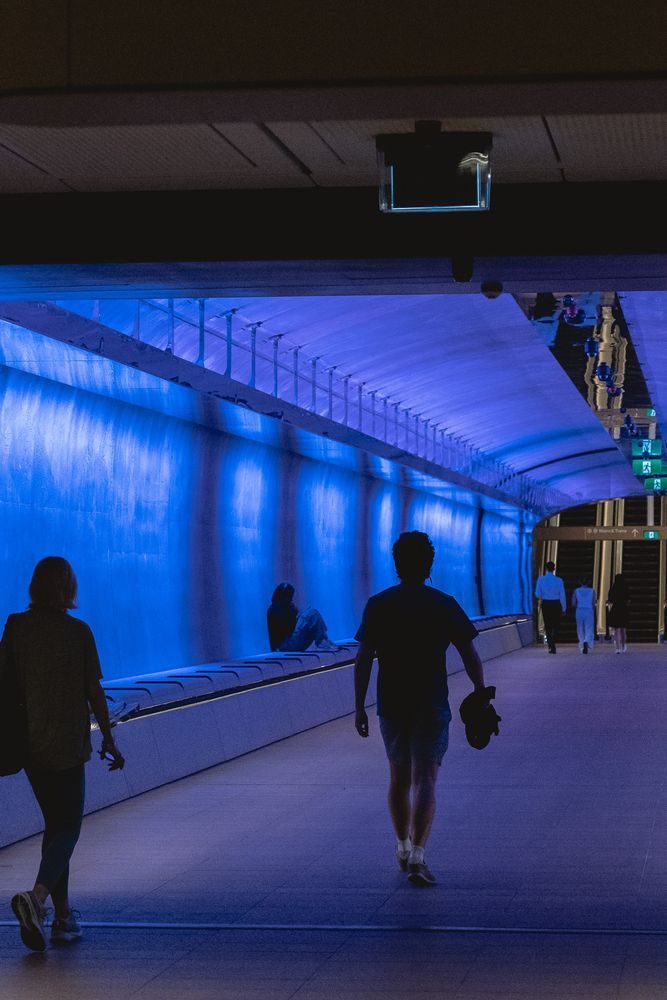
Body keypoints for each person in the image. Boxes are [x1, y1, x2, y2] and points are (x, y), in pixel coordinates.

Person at [0, 557, 124, 952]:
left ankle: (63, 918)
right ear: (68, 588)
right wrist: (109, 738)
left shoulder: (16, 627)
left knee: (56, 827)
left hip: (31, 744)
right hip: (69, 744)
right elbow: (95, 692)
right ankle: (36, 900)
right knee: (69, 825)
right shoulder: (78, 632)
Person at [353, 531, 487, 886]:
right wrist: (479, 690)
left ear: (396, 564)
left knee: (398, 777)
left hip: (391, 702)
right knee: (425, 777)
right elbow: (469, 653)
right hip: (430, 701)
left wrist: (358, 707)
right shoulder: (443, 603)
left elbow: (364, 658)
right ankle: (419, 855)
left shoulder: (379, 604)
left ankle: (401, 845)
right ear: (429, 565)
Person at [267, 583, 336, 652]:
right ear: (282, 596)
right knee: (312, 613)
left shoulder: (278, 608)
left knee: (310, 616)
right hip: (287, 646)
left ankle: (322, 640)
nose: (291, 599)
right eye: (289, 597)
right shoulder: (275, 609)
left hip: (288, 644)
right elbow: (288, 627)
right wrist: (294, 613)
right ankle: (321, 641)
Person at [535, 561, 566, 654]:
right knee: (556, 625)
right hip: (556, 604)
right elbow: (562, 595)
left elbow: (537, 593)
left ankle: (550, 645)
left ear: (546, 569)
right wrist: (564, 608)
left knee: (547, 625)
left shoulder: (541, 579)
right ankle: (553, 641)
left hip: (546, 604)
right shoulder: (559, 580)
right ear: (554, 569)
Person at [572, 576, 597, 654]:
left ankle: (582, 643)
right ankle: (587, 641)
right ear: (588, 582)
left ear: (580, 582)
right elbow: (593, 603)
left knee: (580, 628)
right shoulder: (592, 591)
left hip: (579, 610)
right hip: (589, 610)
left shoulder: (576, 591)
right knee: (589, 627)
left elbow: (573, 603)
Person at [606, 573, 629, 653]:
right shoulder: (625, 588)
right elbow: (628, 599)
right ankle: (624, 645)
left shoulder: (613, 588)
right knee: (623, 629)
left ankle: (617, 648)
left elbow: (610, 600)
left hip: (615, 609)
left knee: (616, 629)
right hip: (623, 609)